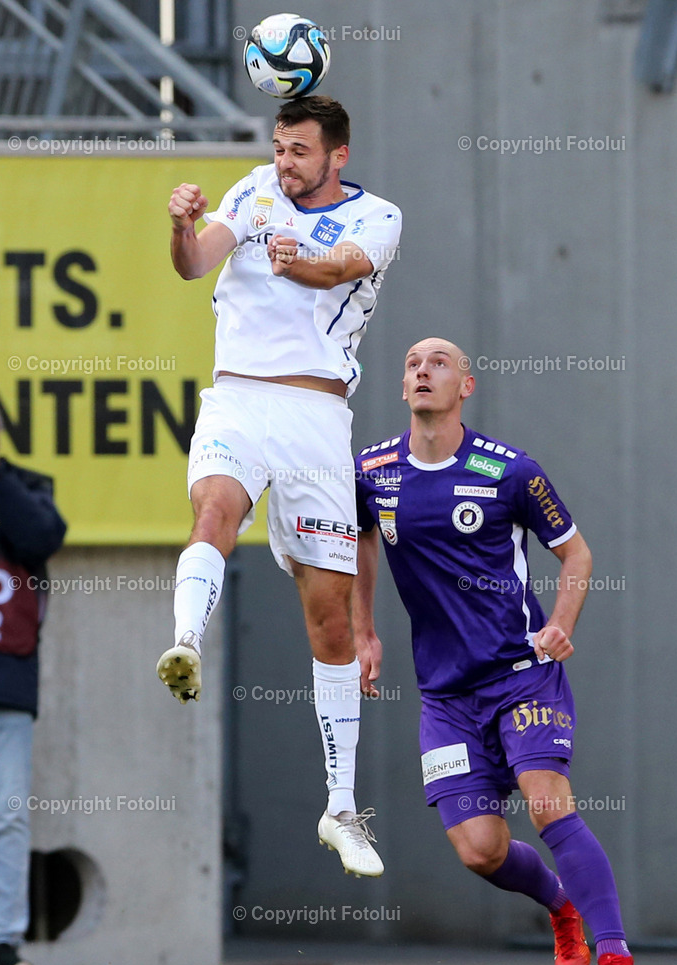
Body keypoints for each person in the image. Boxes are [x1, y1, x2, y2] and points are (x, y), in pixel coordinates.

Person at [155, 94, 401, 878]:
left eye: (299, 151)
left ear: (339, 155)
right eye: (279, 146)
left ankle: (339, 807)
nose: (284, 162)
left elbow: (337, 268)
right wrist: (182, 227)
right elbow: (196, 265)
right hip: (238, 398)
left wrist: (295, 256)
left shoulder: (381, 216)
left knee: (329, 619)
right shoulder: (251, 190)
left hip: (317, 419)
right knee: (213, 510)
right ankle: (186, 642)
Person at [352, 338, 639, 965]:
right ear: (402, 389)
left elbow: (579, 557)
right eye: (412, 364)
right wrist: (364, 633)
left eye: (439, 362)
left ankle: (616, 954)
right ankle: (562, 906)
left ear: (466, 387)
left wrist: (560, 626)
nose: (422, 370)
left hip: (521, 671)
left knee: (547, 805)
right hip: (446, 695)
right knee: (479, 850)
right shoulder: (372, 471)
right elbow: (362, 544)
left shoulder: (510, 471)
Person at [0, 396, 66, 965]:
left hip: (4, 678)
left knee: (5, 812)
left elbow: (42, 535)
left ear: (0, 436)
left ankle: (1, 943)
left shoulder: (24, 486)